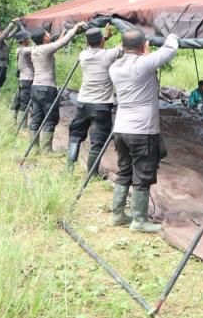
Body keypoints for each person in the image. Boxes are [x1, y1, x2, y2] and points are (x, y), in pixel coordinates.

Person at [109, 28, 179, 233]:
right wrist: (173, 35)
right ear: (144, 46)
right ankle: (139, 220)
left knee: (125, 171)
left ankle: (118, 215)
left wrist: (144, 51)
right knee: (142, 174)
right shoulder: (143, 64)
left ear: (122, 46)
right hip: (142, 131)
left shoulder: (115, 66)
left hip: (121, 129)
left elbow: (138, 62)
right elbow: (170, 48)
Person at [66, 25, 122, 176]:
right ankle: (92, 174)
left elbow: (95, 45)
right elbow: (125, 44)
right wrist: (110, 34)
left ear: (87, 41)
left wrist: (104, 37)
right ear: (101, 41)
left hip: (83, 103)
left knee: (75, 134)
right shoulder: (108, 55)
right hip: (101, 106)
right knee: (98, 140)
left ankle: (69, 169)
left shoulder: (83, 55)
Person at [21, 22, 85, 153]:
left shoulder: (35, 49)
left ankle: (34, 148)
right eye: (47, 33)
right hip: (47, 88)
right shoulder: (45, 49)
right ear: (44, 38)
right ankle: (46, 150)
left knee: (37, 117)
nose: (49, 34)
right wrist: (76, 27)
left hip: (35, 88)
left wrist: (68, 32)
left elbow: (58, 42)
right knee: (51, 117)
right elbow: (63, 42)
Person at [0, 19, 19, 94]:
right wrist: (11, 24)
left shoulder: (4, 40)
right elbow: (5, 33)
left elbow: (11, 34)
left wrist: (18, 26)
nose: (0, 32)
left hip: (3, 63)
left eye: (0, 31)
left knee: (3, 78)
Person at [10, 30, 34, 127]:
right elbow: (38, 48)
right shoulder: (25, 50)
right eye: (27, 38)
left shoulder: (19, 49)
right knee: (25, 102)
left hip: (22, 79)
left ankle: (13, 120)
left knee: (18, 99)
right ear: (24, 40)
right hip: (27, 78)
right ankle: (22, 125)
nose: (29, 40)